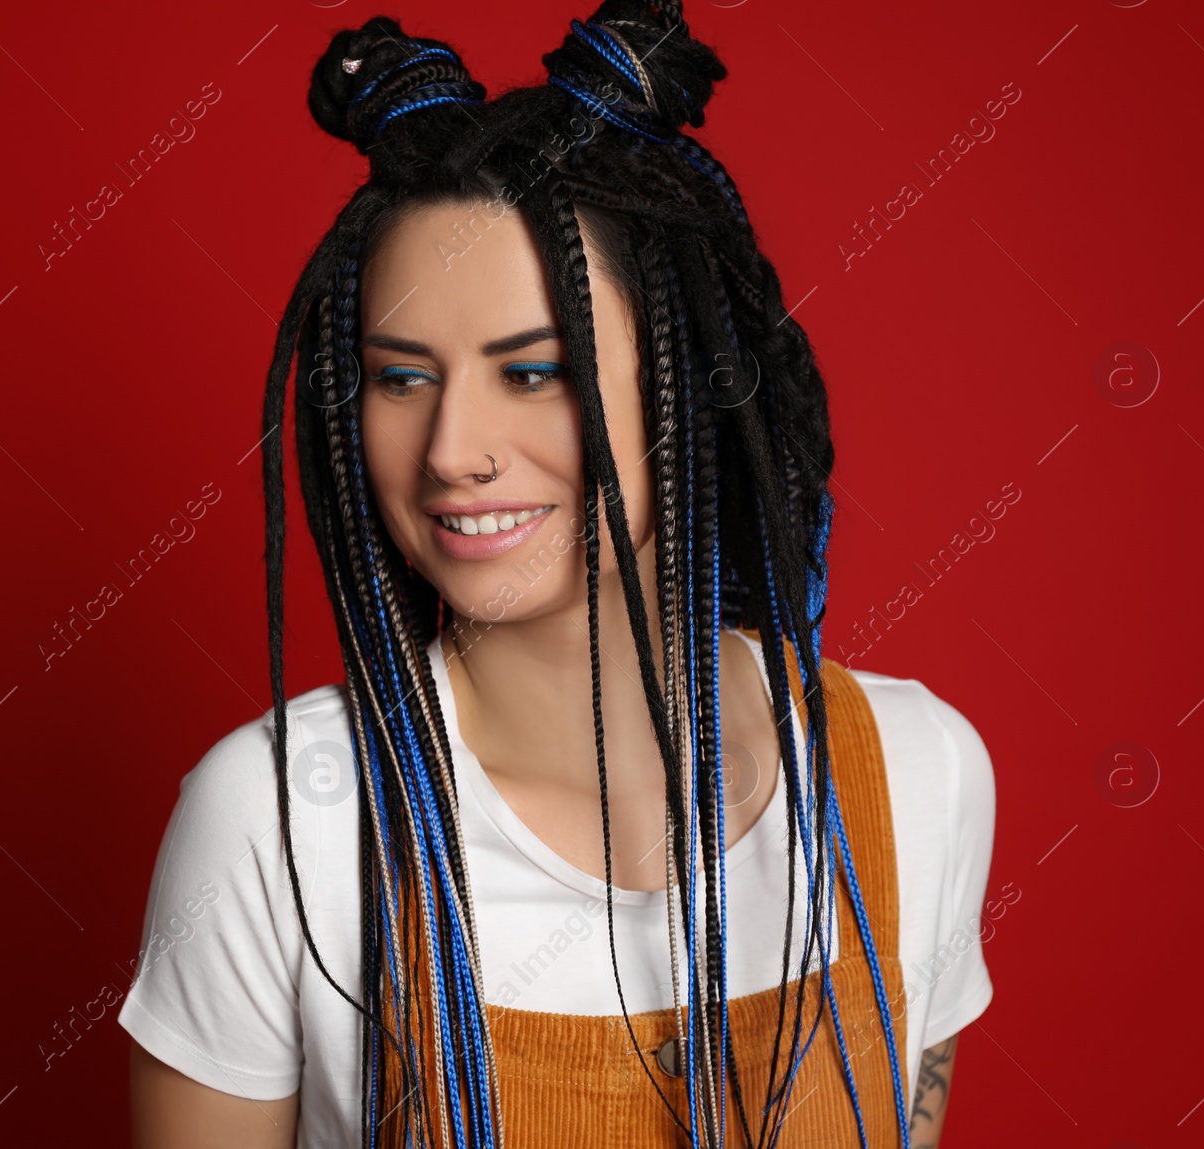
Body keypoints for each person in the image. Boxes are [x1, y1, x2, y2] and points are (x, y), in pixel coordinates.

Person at [120, 2, 997, 1146]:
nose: (450, 451)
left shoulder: (917, 775)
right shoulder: (281, 821)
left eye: (532, 372)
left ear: (681, 388)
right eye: (400, 379)